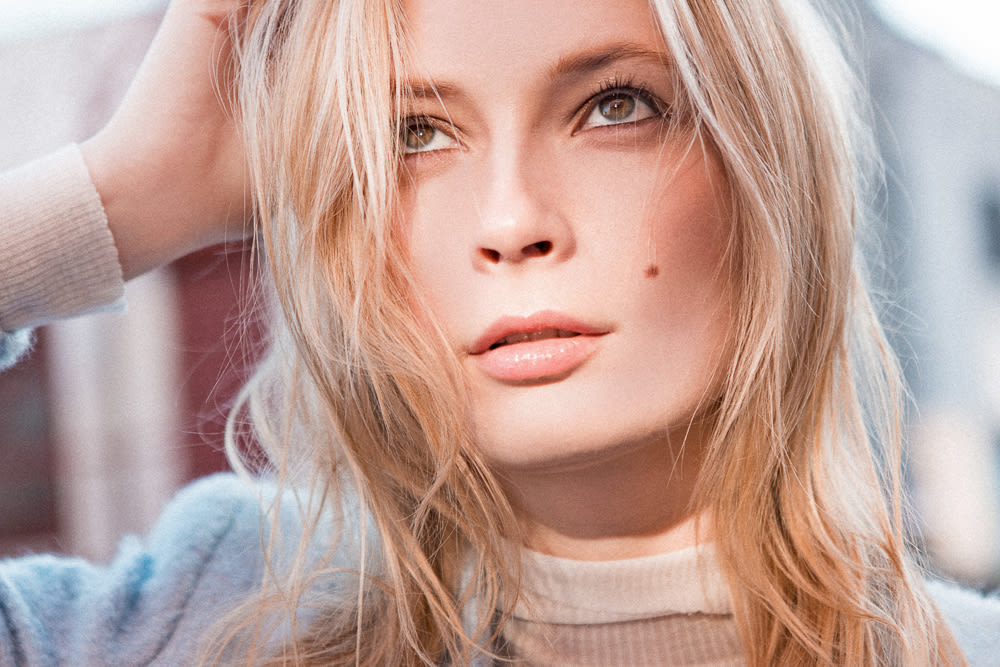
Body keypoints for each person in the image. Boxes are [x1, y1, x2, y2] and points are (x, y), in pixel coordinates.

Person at [1, 0, 998, 664]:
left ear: (772, 164)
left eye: (616, 106)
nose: (512, 220)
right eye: (415, 135)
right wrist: (118, 202)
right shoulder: (206, 605)